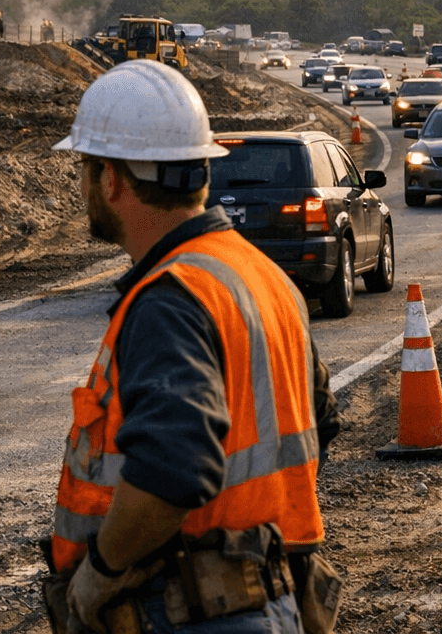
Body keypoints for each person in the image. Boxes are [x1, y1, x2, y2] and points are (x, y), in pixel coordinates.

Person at [46, 59, 339, 634]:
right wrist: (252, 525)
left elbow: (173, 468)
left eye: (85, 167)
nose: (83, 185)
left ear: (111, 180)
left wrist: (101, 571)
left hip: (188, 613)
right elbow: (319, 421)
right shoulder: (262, 276)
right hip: (267, 602)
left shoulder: (171, 299)